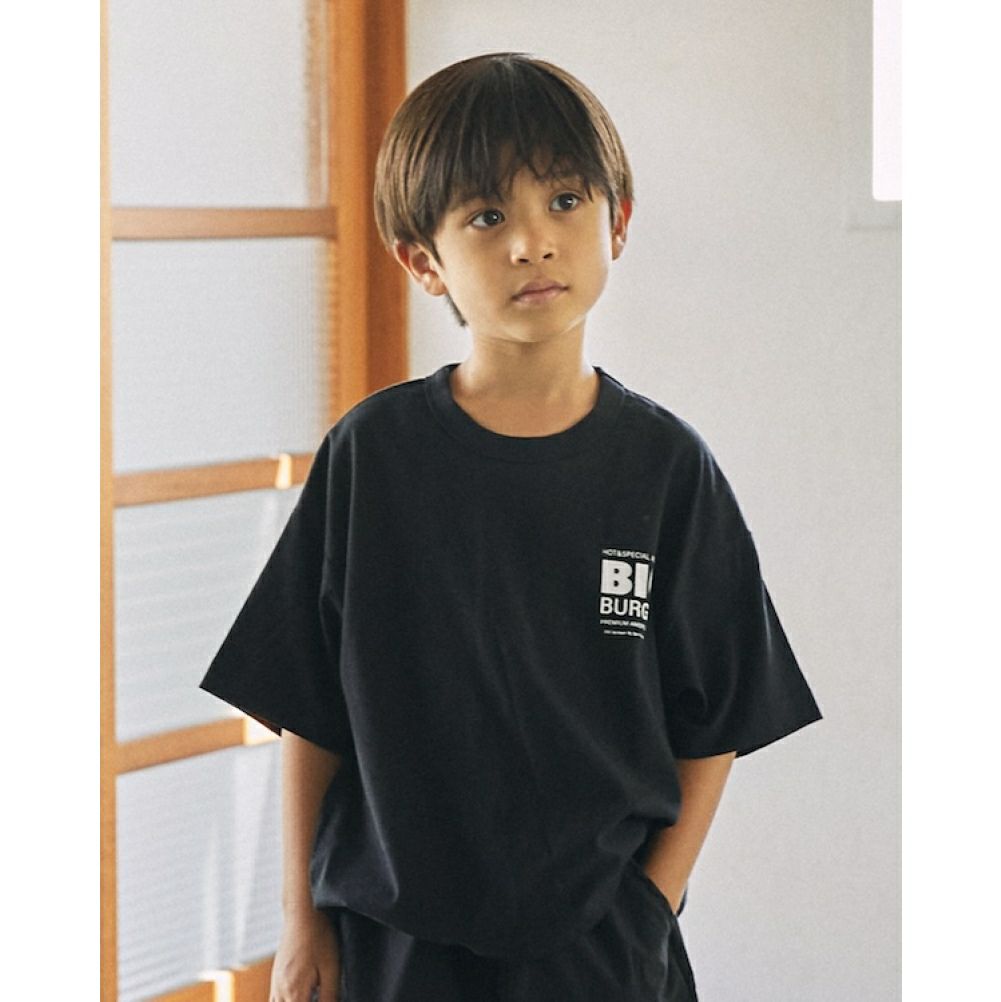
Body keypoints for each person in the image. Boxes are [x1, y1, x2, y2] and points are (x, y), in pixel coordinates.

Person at [199, 52, 822, 1002]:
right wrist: (300, 922)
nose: (533, 242)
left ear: (618, 221)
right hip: (391, 942)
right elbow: (308, 708)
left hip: (597, 947)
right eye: (488, 217)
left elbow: (716, 720)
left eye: (565, 201)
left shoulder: (665, 468)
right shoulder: (374, 457)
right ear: (423, 261)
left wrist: (649, 909)